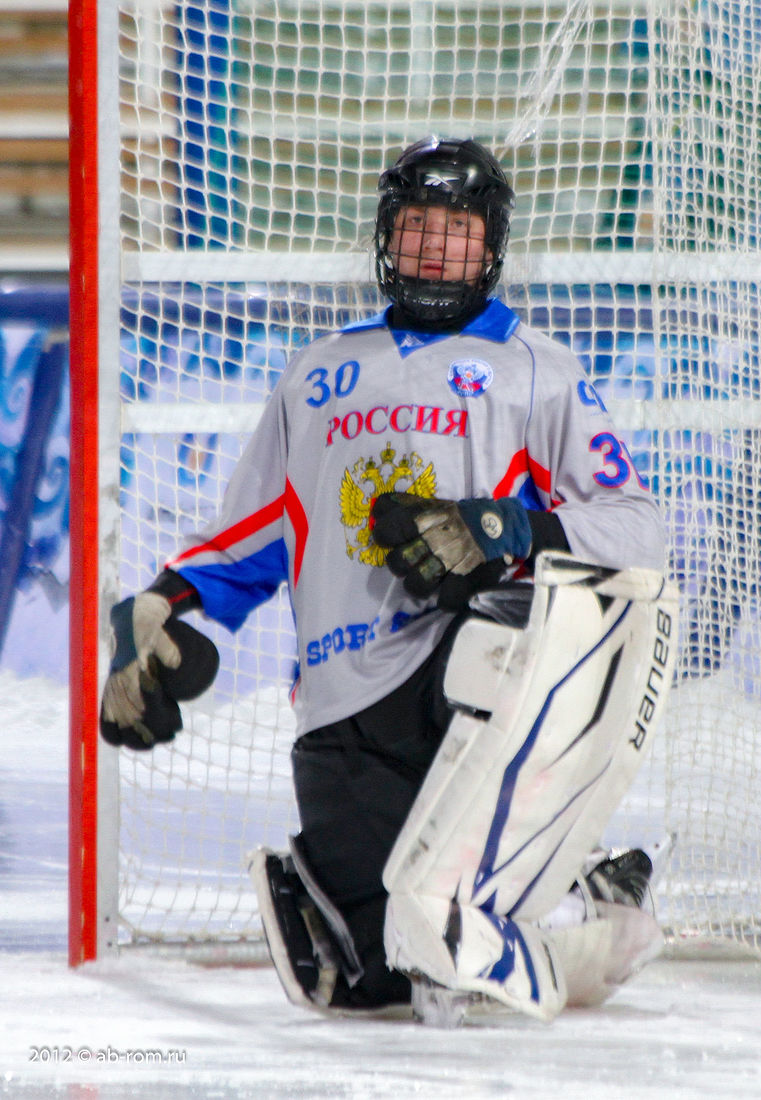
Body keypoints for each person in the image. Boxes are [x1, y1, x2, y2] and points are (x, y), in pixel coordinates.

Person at [100, 136, 673, 1024]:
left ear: (492, 245)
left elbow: (638, 529)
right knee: (382, 976)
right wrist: (157, 607)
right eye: (417, 225)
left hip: (470, 682)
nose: (436, 246)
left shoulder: (539, 370)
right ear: (386, 236)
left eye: (459, 228)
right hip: (342, 710)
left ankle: (576, 887)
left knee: (454, 932)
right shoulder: (317, 373)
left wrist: (511, 527)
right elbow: (251, 533)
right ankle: (579, 901)